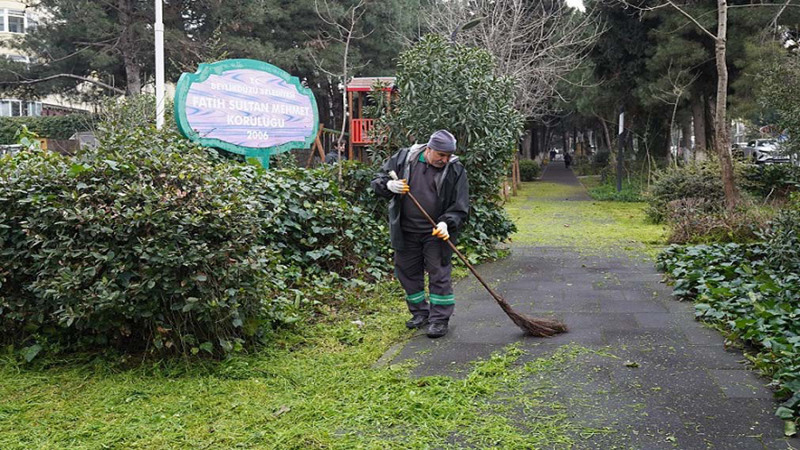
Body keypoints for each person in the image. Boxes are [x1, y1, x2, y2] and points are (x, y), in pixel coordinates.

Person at [371, 130, 469, 338]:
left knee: (439, 274)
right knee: (407, 272)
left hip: (436, 232)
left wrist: (446, 222)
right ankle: (420, 313)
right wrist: (388, 185)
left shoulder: (455, 169)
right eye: (441, 155)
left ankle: (439, 320)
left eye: (448, 155)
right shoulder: (405, 158)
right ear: (429, 149)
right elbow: (378, 179)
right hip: (405, 230)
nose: (445, 160)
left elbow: (460, 205)